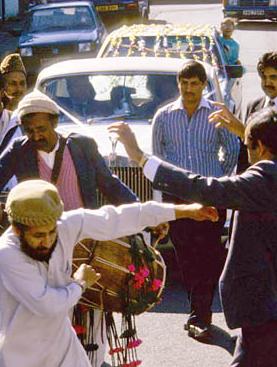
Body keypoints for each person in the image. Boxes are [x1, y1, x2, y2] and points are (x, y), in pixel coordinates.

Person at [108, 106, 277, 367]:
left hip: (264, 305)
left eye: (248, 148)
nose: (249, 157)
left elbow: (203, 187)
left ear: (262, 147)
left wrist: (141, 158)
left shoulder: (266, 177)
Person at [0, 178, 219, 367]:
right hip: (21, 356)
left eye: (51, 232)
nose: (47, 241)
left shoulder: (65, 225)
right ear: (17, 229)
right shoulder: (7, 254)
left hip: (63, 348)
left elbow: (117, 217)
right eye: (38, 236)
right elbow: (47, 304)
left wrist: (185, 211)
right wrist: (79, 283)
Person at [0, 90, 138, 366]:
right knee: (54, 312)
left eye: (41, 128)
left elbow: (110, 185)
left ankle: (93, 360)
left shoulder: (82, 146)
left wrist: (141, 215)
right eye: (28, 130)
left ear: (55, 121)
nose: (35, 136)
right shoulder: (20, 150)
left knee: (92, 311)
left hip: (86, 244)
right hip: (43, 248)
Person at [150, 59, 240, 339]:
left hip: (211, 193)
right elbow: (157, 159)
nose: (189, 89)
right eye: (184, 83)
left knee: (210, 255)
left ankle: (201, 314)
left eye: (195, 84)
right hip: (178, 198)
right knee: (186, 256)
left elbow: (233, 150)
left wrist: (218, 180)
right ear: (179, 85)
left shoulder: (215, 114)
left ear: (203, 85)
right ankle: (196, 310)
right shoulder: (164, 116)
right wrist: (164, 199)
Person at [209, 51, 277, 172]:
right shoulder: (254, 106)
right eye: (263, 77)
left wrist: (243, 131)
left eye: (273, 77)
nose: (267, 83)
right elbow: (246, 153)